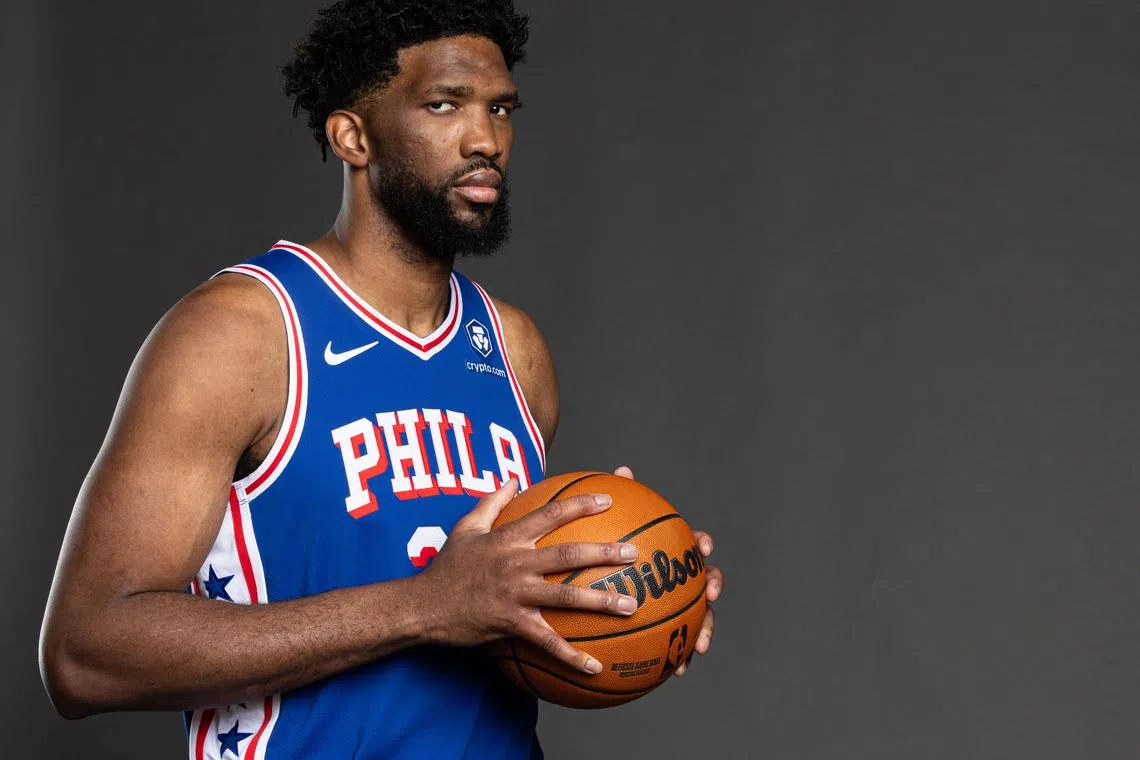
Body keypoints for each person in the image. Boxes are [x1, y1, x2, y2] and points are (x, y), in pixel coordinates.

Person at [38, 1, 723, 757]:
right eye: (444, 105)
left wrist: (631, 591)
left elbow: (499, 626)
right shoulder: (244, 333)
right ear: (352, 136)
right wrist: (424, 605)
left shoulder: (515, 350)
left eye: (500, 109)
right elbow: (85, 655)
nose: (485, 139)